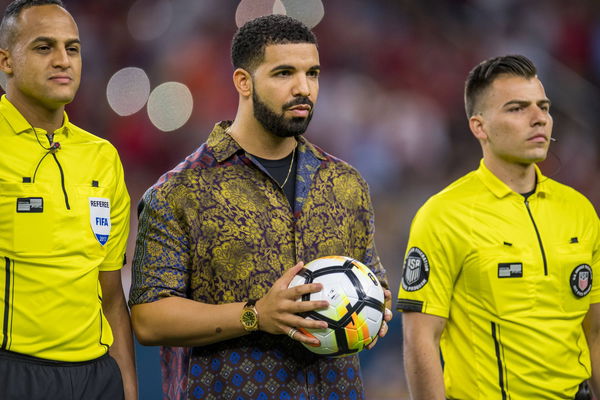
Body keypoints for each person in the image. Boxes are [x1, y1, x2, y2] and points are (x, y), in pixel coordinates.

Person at [129, 14, 392, 400]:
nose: (304, 88)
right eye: (284, 73)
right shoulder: (178, 191)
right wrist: (256, 314)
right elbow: (149, 319)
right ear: (243, 82)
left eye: (313, 73)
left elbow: (374, 278)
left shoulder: (345, 183)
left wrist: (375, 307)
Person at [397, 54, 600, 399]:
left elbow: (594, 332)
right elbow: (420, 339)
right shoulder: (444, 214)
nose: (539, 119)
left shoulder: (579, 211)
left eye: (544, 107)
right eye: (517, 109)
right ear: (480, 127)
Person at [0, 1, 137, 399]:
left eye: (72, 48)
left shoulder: (102, 157)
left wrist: (128, 388)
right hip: (15, 375)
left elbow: (111, 296)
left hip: (96, 378)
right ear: (6, 61)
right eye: (44, 48)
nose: (63, 61)